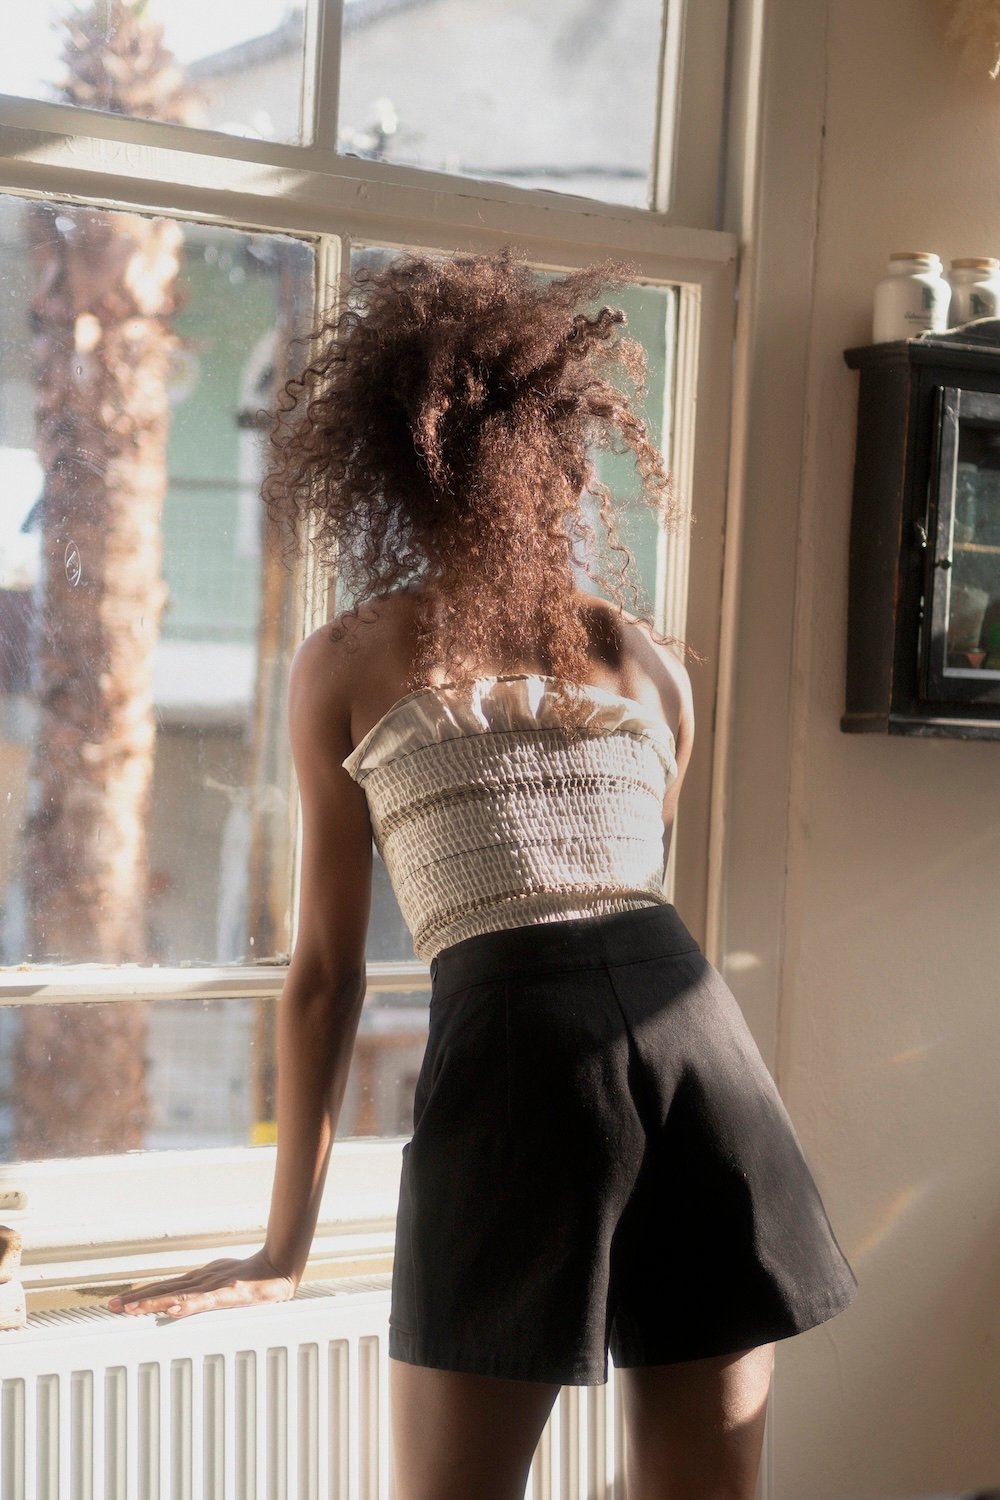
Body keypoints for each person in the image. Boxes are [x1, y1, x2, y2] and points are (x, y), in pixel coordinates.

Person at [109, 248, 858, 1499]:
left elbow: (326, 977)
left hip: (521, 1059)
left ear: (397, 470)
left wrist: (282, 1249)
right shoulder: (646, 664)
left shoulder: (347, 658)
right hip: (702, 1060)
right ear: (567, 462)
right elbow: (622, 915)